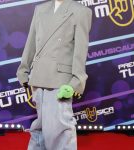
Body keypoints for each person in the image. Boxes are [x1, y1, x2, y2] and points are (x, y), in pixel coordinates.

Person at [16, 0, 92, 149]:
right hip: (38, 76)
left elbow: (80, 50)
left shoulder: (81, 11)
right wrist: (23, 70)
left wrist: (76, 82)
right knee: (40, 126)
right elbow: (31, 42)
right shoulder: (40, 9)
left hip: (60, 80)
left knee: (60, 128)